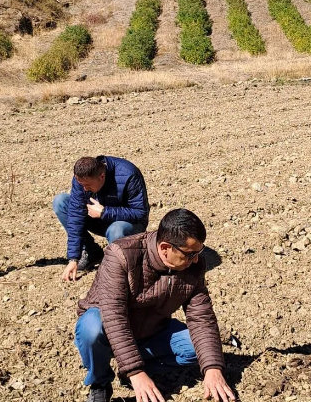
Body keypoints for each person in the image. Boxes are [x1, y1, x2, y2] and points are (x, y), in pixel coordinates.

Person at [74, 209, 236, 402]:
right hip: (108, 332)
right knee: (90, 327)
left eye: (199, 252)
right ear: (166, 247)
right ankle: (100, 382)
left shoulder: (193, 266)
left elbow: (201, 317)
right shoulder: (121, 255)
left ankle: (133, 369)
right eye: (190, 254)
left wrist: (212, 369)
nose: (196, 260)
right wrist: (136, 372)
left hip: (152, 330)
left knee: (198, 350)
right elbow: (114, 316)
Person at [53, 156, 149, 282]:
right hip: (99, 219)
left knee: (116, 229)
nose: (85, 189)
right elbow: (75, 216)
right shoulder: (82, 178)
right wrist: (73, 259)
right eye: (82, 185)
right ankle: (91, 252)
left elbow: (140, 212)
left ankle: (118, 266)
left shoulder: (128, 174)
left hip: (127, 225)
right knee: (61, 202)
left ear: (102, 176)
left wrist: (105, 212)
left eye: (88, 185)